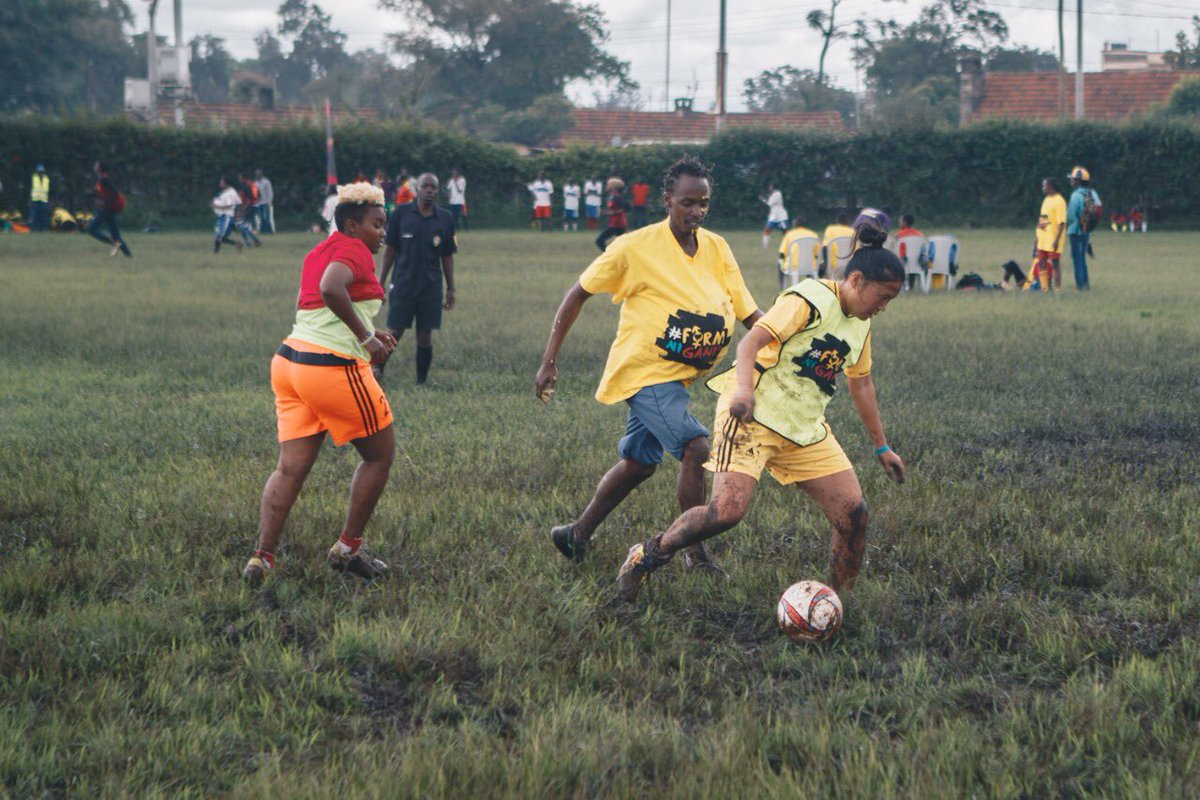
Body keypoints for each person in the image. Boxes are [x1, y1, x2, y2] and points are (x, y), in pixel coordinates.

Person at [616, 231, 906, 602]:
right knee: (725, 512)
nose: (884, 307)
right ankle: (647, 555)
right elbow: (750, 341)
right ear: (857, 280)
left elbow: (861, 384)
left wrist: (882, 447)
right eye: (883, 297)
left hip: (804, 429)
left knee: (854, 516)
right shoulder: (809, 299)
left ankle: (836, 603)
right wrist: (743, 390)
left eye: (890, 300)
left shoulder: (862, 325)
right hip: (752, 418)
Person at [535, 155, 763, 574]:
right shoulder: (634, 247)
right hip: (644, 374)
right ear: (667, 200)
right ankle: (695, 553)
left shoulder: (716, 247)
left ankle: (575, 535)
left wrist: (781, 338)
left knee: (640, 464)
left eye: (703, 203)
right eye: (687, 202)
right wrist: (549, 360)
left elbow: (747, 311)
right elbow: (578, 293)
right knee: (696, 448)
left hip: (677, 379)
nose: (696, 211)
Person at [241, 183, 396, 586]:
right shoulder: (354, 249)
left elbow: (312, 304)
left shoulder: (318, 251)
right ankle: (348, 550)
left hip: (290, 362)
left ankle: (262, 558)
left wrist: (369, 327)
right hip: (331, 368)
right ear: (352, 225)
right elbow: (330, 289)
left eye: (384, 225)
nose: (383, 233)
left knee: (289, 469)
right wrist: (366, 339)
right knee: (379, 455)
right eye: (377, 224)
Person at [378, 173, 457, 386]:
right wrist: (381, 281)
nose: (429, 190)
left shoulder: (445, 218)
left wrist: (451, 288)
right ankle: (377, 369)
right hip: (403, 283)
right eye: (425, 186)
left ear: (437, 190)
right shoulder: (401, 214)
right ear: (417, 189)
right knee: (394, 331)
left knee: (425, 334)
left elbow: (447, 255)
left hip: (430, 286)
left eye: (433, 187)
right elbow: (390, 249)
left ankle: (421, 381)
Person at [87, 161, 131, 258]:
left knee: (91, 229)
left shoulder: (104, 179)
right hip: (109, 208)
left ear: (100, 168)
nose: (95, 166)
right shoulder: (101, 179)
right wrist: (92, 194)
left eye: (96, 165)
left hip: (107, 208)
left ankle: (114, 243)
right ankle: (128, 255)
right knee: (115, 234)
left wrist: (105, 202)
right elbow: (105, 193)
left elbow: (115, 192)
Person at [1032, 177, 1067, 292]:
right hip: (1043, 239)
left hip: (1053, 238)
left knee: (1055, 263)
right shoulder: (1046, 200)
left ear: (1051, 186)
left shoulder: (1060, 201)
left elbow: (1062, 223)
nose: (1043, 188)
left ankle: (1057, 289)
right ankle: (1045, 287)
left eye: (1044, 185)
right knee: (1042, 262)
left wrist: (1056, 240)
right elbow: (1043, 220)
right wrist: (1037, 238)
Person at [1066, 166, 1097, 291]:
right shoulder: (1091, 193)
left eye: (1073, 179)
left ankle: (1080, 286)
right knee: (1082, 258)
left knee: (1077, 260)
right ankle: (1086, 284)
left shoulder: (1075, 195)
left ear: (1078, 181)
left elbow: (1071, 216)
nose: (1071, 180)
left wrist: (1064, 220)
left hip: (1075, 232)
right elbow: (1097, 210)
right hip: (1086, 230)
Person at [777, 217, 820, 288]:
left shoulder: (789, 235)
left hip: (793, 266)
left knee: (779, 262)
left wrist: (782, 261)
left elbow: (782, 253)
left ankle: (782, 287)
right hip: (811, 266)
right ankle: (811, 285)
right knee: (810, 262)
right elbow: (817, 254)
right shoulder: (813, 235)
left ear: (794, 225)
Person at [595, 178, 630, 252]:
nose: (606, 186)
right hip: (617, 224)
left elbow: (627, 207)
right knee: (623, 245)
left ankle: (608, 255)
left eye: (608, 185)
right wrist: (606, 212)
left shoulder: (616, 197)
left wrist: (614, 213)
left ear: (613, 187)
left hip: (617, 225)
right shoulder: (613, 196)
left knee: (599, 241)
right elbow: (615, 210)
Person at [212, 177, 242, 252]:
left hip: (226, 217)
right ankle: (237, 244)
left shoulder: (230, 193)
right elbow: (239, 202)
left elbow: (230, 205)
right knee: (218, 235)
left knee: (220, 236)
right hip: (221, 218)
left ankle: (216, 252)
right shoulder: (225, 192)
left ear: (226, 184)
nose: (220, 184)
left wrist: (217, 207)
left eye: (221, 182)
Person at [821, 213, 854, 278]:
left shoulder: (830, 229)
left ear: (837, 222)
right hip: (849, 267)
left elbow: (825, 247)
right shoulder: (853, 231)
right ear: (848, 222)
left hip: (833, 267)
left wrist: (826, 265)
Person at [236, 174, 263, 248]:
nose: (238, 180)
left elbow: (248, 199)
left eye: (239, 178)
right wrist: (255, 204)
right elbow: (259, 197)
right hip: (254, 207)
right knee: (245, 226)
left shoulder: (246, 186)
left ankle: (249, 244)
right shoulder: (253, 184)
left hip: (248, 207)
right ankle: (256, 241)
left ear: (243, 178)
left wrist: (243, 209)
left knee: (242, 226)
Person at [760, 182, 788, 248]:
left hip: (781, 217)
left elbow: (770, 203)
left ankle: (789, 245)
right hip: (773, 217)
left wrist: (763, 199)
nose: (769, 188)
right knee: (767, 230)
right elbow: (770, 201)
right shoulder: (774, 194)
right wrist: (765, 198)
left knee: (784, 232)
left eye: (770, 186)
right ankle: (765, 247)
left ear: (773, 187)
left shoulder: (777, 194)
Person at [29, 164, 50, 232]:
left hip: (44, 200)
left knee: (43, 215)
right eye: (39, 171)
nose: (41, 173)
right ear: (37, 171)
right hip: (35, 200)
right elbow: (30, 189)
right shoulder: (33, 178)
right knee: (34, 215)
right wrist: (30, 200)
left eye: (42, 171)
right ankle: (34, 228)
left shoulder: (47, 179)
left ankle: (43, 229)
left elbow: (48, 190)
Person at [255, 169, 274, 234]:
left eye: (258, 174)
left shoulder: (266, 182)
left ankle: (269, 230)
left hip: (265, 202)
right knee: (261, 218)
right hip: (258, 203)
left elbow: (270, 192)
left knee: (266, 217)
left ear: (261, 174)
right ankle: (263, 230)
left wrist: (270, 201)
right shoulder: (255, 183)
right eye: (256, 174)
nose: (257, 175)